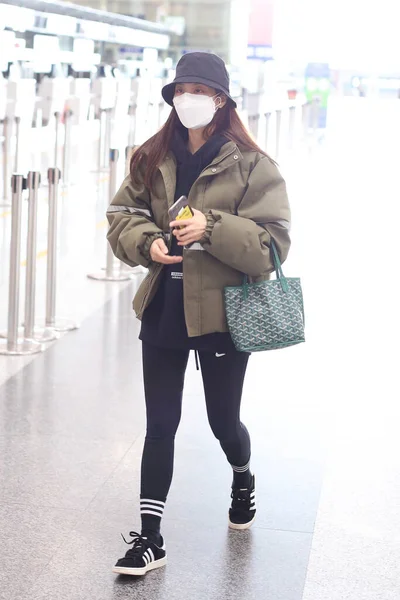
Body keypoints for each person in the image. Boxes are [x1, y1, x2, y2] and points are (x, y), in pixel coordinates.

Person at [107, 52, 291, 577]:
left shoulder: (254, 166)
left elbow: (271, 243)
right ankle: (150, 538)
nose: (188, 97)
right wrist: (148, 244)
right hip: (165, 306)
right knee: (160, 424)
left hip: (225, 313)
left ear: (221, 99)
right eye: (180, 88)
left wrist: (210, 226)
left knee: (221, 421)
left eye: (199, 89)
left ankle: (242, 472)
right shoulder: (153, 156)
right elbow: (122, 216)